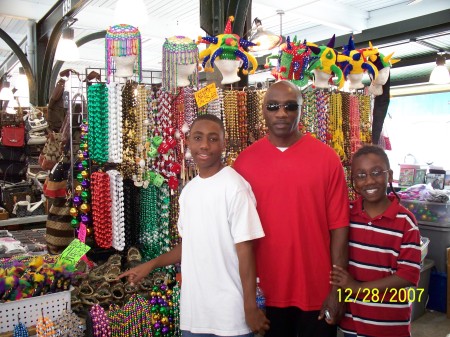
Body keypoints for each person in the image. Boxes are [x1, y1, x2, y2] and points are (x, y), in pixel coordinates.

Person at [119, 114, 270, 337]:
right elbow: (189, 245)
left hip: (229, 314)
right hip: (194, 314)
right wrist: (150, 265)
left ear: (223, 143)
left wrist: (249, 307)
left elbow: (245, 250)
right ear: (188, 142)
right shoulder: (189, 191)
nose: (204, 146)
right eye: (198, 138)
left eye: (213, 139)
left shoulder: (234, 187)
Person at [233, 80, 349, 337]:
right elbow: (237, 236)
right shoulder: (243, 163)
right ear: (263, 110)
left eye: (290, 106)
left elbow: (339, 228)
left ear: (301, 109)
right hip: (265, 293)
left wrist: (338, 291)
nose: (281, 113)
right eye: (273, 106)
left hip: (317, 291)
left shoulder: (327, 159)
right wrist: (248, 300)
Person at [330, 145, 421, 337]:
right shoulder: (346, 214)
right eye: (361, 175)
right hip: (351, 323)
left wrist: (357, 288)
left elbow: (407, 276)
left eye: (377, 172)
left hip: (388, 324)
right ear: (353, 181)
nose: (369, 181)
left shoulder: (405, 222)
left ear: (390, 174)